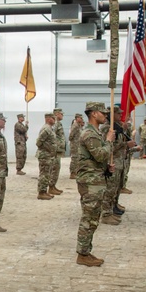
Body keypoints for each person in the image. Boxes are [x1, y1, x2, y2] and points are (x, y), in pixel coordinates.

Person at [75, 102, 114, 267]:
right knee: (88, 218)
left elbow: (98, 159)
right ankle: (82, 254)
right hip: (90, 182)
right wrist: (109, 141)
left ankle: (86, 251)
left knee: (92, 218)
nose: (105, 115)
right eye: (102, 113)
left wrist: (106, 168)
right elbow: (99, 155)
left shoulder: (95, 133)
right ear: (93, 114)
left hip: (95, 180)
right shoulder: (89, 134)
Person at [35, 113, 61, 200]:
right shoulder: (46, 129)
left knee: (47, 174)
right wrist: (46, 149)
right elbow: (38, 142)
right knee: (44, 174)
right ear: (48, 119)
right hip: (45, 155)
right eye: (53, 118)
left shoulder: (50, 128)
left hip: (49, 155)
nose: (54, 120)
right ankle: (41, 192)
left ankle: (44, 191)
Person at [51, 108, 66, 190]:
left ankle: (53, 186)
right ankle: (51, 186)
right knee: (54, 168)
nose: (62, 115)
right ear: (57, 114)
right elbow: (52, 136)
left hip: (58, 150)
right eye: (61, 113)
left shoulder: (58, 123)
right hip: (55, 150)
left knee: (57, 168)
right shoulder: (55, 123)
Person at [68, 113, 84, 178]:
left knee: (77, 159)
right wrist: (74, 142)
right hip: (74, 145)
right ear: (77, 118)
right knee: (74, 159)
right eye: (81, 118)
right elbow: (71, 136)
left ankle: (76, 172)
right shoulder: (75, 125)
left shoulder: (78, 125)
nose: (82, 119)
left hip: (77, 145)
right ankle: (72, 173)